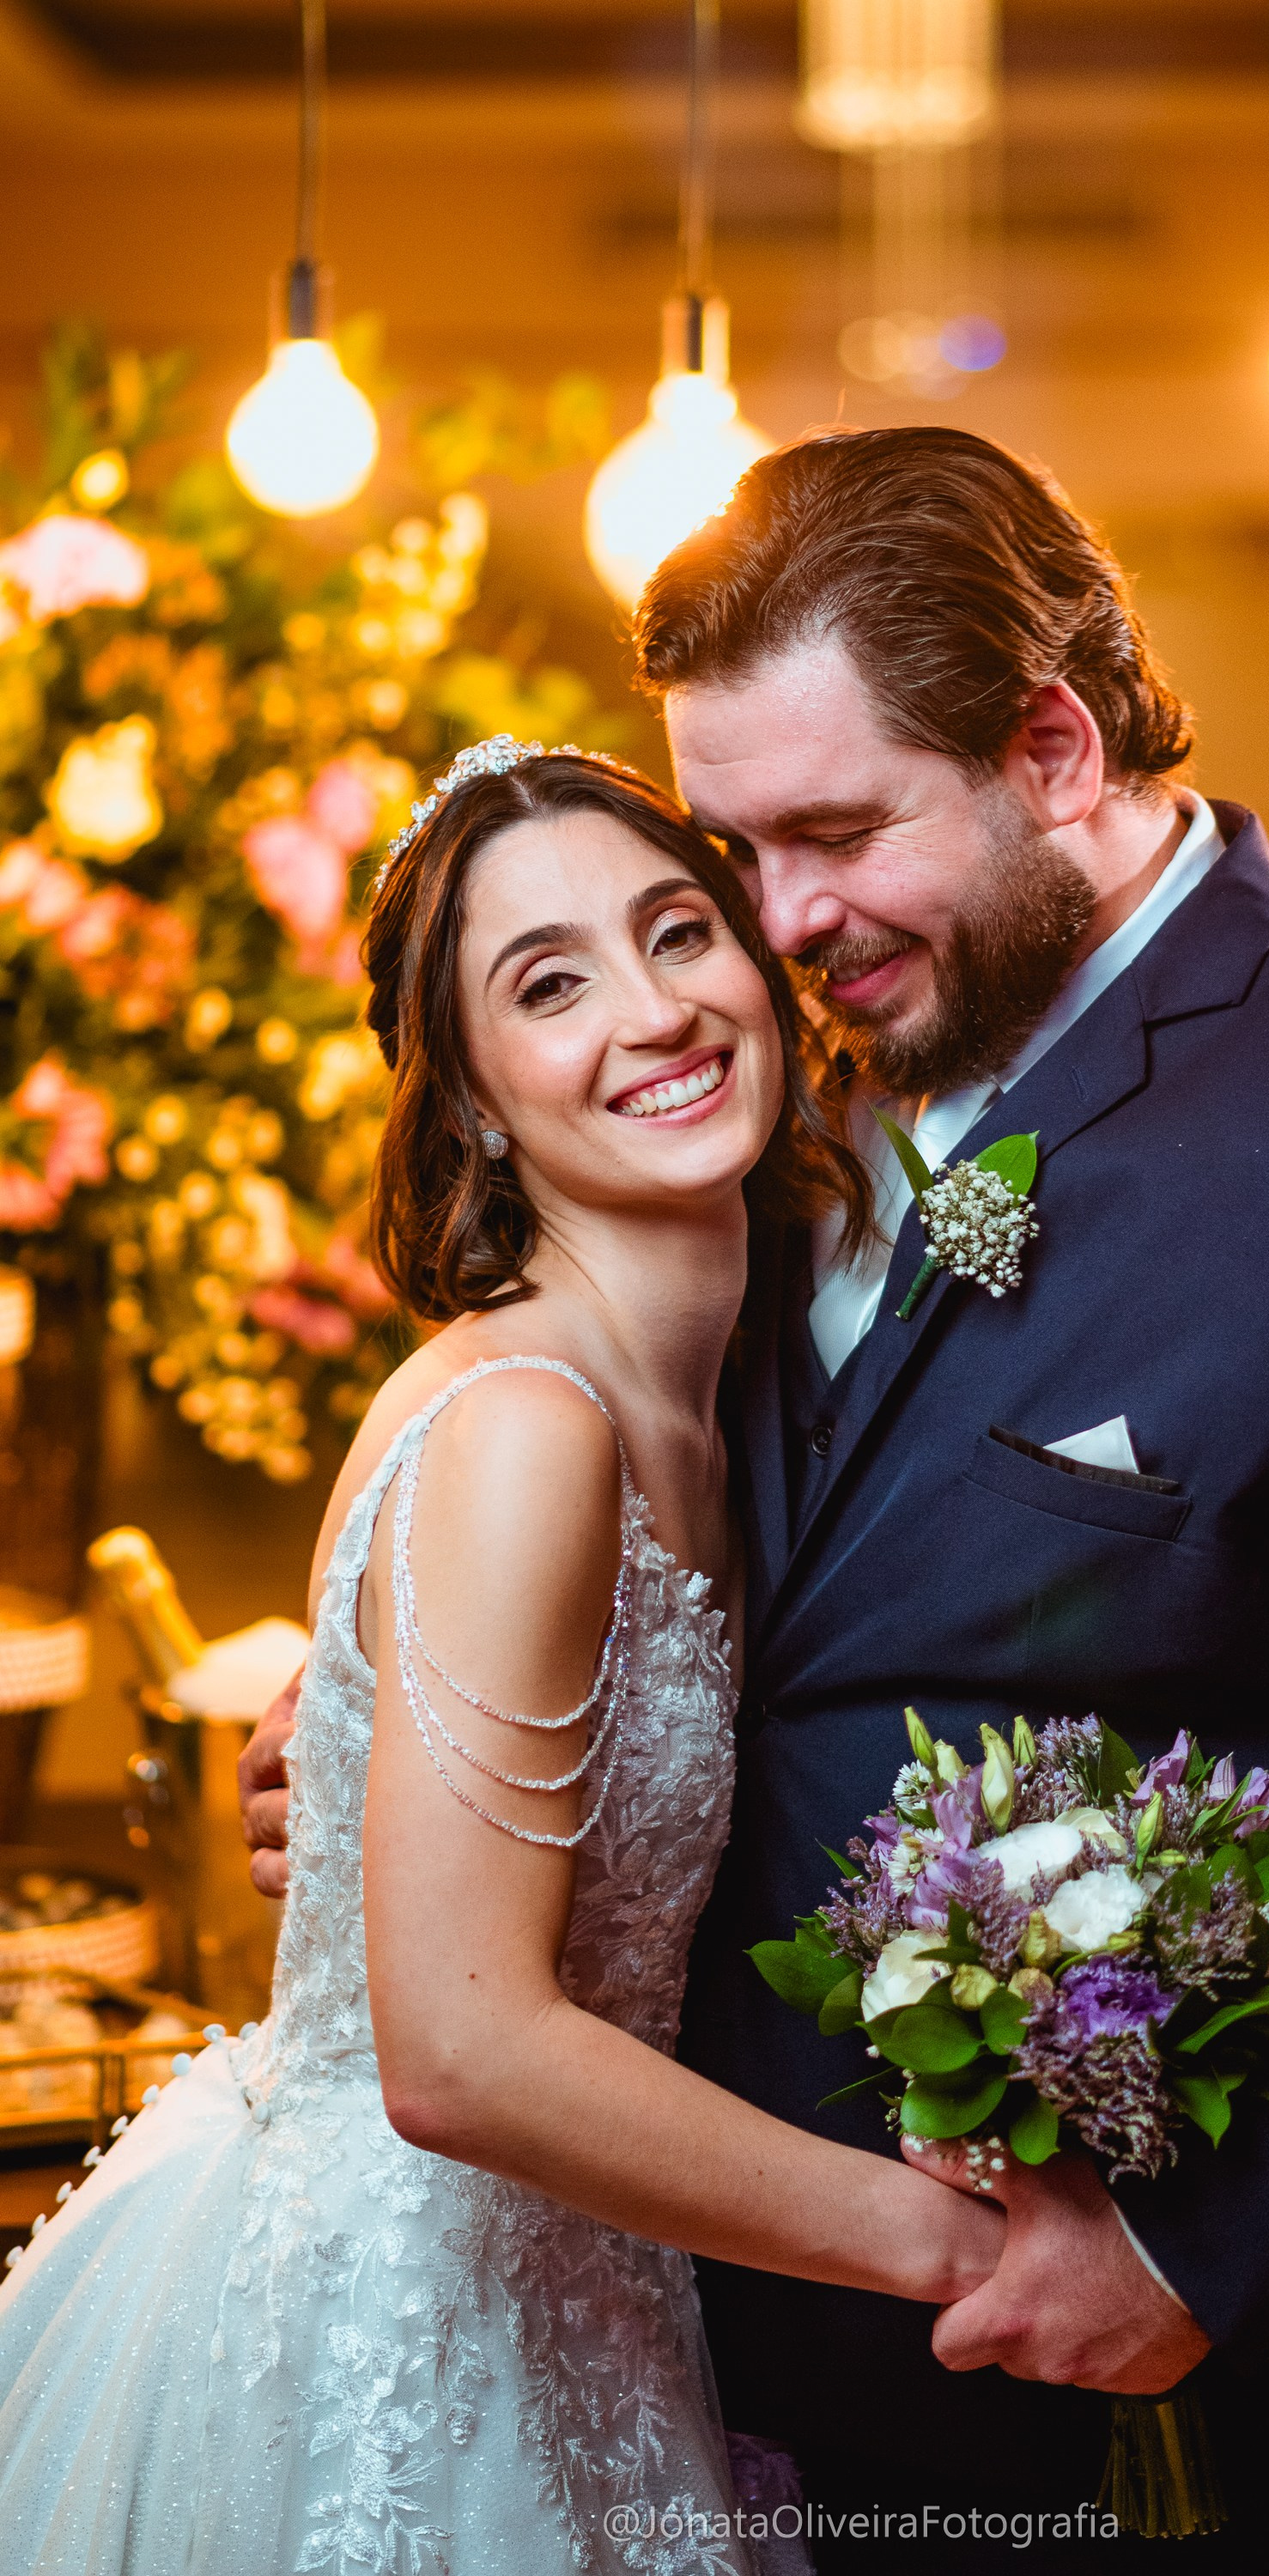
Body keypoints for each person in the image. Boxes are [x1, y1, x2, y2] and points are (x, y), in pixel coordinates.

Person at [241, 426, 1269, 2576]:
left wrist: (1200, 2244)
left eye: (832, 832)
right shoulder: (789, 1075)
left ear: (1051, 746)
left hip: (1232, 2418)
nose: (771, 923)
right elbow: (739, 1587)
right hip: (759, 2389)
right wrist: (417, 1753)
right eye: (730, 849)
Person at [0, 747, 1002, 2576]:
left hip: (605, 2309)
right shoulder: (531, 1423)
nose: (653, 1011)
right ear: (468, 1100)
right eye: (549, 984)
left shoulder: (740, 1386)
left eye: (678, 930)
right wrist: (954, 2247)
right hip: (411, 2339)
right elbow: (456, 2050)